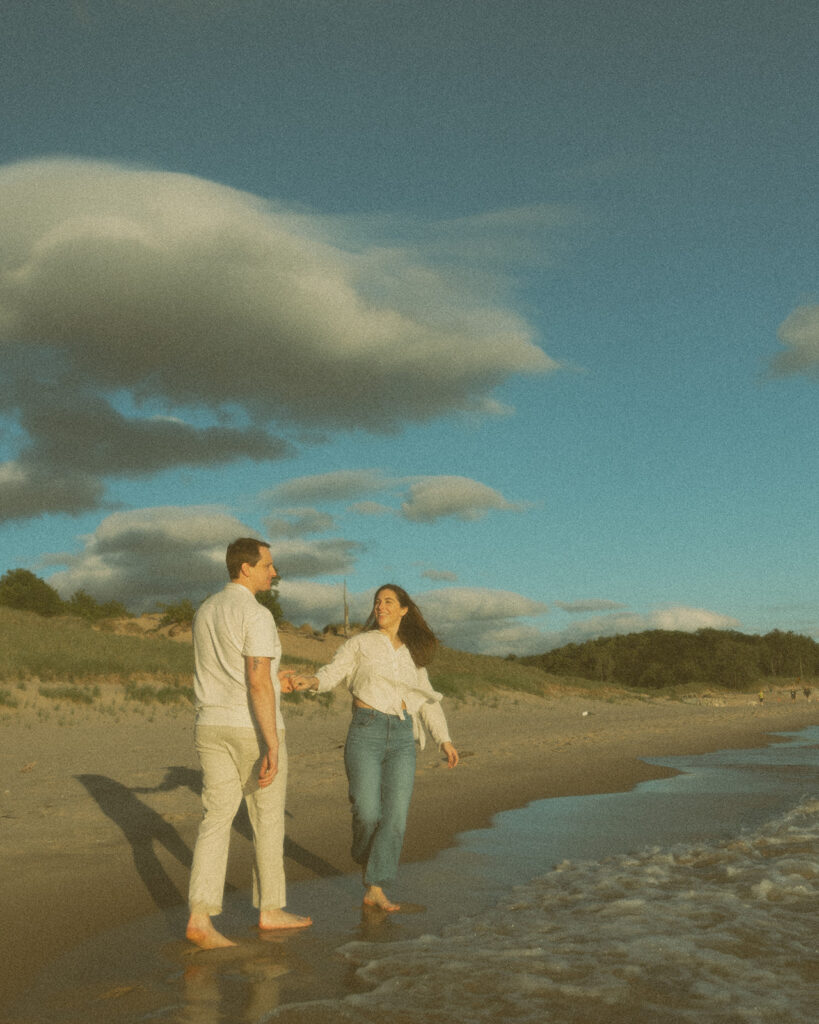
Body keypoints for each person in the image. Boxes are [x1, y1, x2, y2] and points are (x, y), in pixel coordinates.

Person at [282, 584, 459, 912]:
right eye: (378, 602)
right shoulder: (359, 643)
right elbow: (333, 672)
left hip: (403, 737)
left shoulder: (412, 654)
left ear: (404, 609)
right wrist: (311, 681)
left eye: (388, 602)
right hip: (366, 732)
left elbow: (427, 698)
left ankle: (375, 886)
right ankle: (370, 859)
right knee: (367, 812)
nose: (381, 606)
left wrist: (444, 739)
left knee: (395, 817)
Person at [185, 537, 311, 948]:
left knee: (216, 820)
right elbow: (255, 679)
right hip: (250, 729)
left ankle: (200, 917)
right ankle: (270, 909)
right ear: (246, 568)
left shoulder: (205, 611)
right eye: (268, 565)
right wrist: (272, 743)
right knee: (267, 819)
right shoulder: (256, 615)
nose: (273, 572)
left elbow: (240, 674)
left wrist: (278, 681)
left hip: (210, 724)